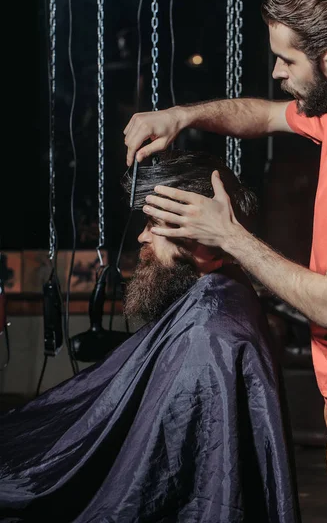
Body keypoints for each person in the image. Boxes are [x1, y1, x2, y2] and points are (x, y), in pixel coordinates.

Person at [123, 0, 327, 522]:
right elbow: (266, 114)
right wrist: (183, 116)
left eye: (286, 60)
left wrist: (227, 234)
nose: (276, 72)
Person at [0, 151, 300, 523]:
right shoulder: (220, 298)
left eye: (153, 223)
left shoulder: (211, 335)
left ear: (200, 236)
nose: (142, 235)